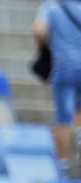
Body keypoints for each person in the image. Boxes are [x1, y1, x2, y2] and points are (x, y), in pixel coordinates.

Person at [36, 0, 81, 171]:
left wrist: (46, 47)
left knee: (63, 118)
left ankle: (63, 165)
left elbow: (39, 30)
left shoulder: (52, 7)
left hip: (64, 66)